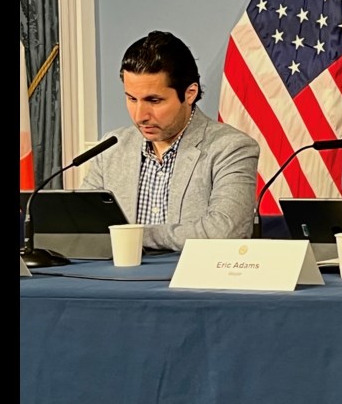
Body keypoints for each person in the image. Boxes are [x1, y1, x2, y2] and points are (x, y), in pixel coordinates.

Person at [82, 31, 260, 251]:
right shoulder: (112, 147)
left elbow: (225, 232)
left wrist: (134, 235)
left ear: (190, 93)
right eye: (131, 98)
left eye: (154, 100)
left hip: (193, 281)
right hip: (117, 280)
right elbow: (84, 229)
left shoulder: (231, 148)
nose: (140, 115)